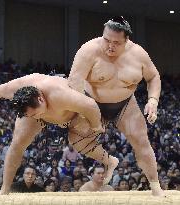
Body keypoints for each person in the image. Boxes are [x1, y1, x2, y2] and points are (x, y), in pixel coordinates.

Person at [0, 73, 118, 194]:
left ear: (41, 99)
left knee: (77, 140)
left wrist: (97, 126)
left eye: (35, 113)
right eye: (31, 115)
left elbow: (90, 105)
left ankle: (110, 161)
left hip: (73, 114)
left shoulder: (60, 94)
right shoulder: (17, 90)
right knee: (17, 143)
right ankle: (4, 190)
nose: (36, 117)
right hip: (43, 110)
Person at [68, 16, 164, 196]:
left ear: (126, 40)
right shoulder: (88, 50)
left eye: (116, 42)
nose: (110, 46)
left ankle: (156, 187)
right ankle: (109, 161)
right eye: (106, 40)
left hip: (125, 104)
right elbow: (74, 82)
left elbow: (153, 77)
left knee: (142, 141)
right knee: (75, 140)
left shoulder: (138, 54)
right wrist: (84, 112)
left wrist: (153, 100)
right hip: (91, 102)